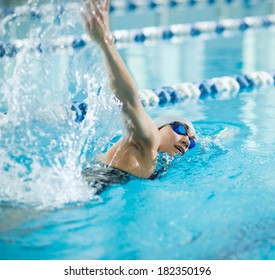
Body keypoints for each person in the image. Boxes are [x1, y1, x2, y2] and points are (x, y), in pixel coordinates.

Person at [80, 0, 196, 183]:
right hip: (88, 185)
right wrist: (106, 43)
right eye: (181, 129)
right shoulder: (149, 136)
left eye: (192, 142)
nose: (187, 141)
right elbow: (129, 101)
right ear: (162, 125)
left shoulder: (153, 155)